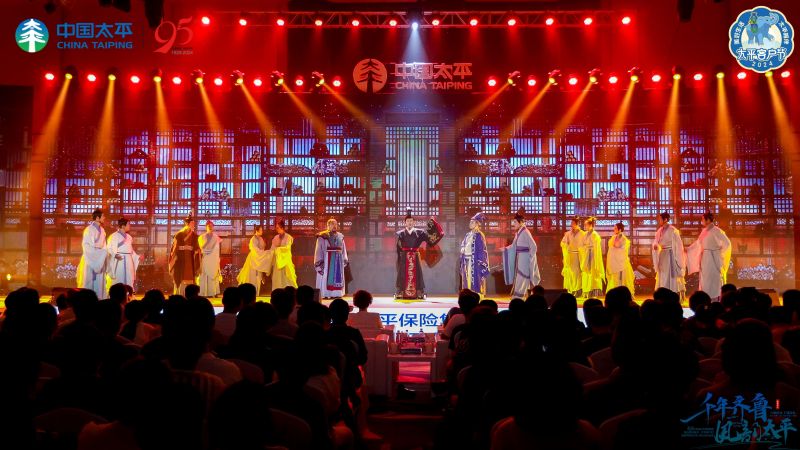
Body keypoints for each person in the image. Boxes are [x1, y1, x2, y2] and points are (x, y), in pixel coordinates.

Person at [395, 210, 443, 299]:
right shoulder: (401, 233)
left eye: (411, 221)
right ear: (405, 223)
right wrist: (399, 257)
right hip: (405, 256)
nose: (409, 223)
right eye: (408, 221)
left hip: (415, 255)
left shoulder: (420, 232)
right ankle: (400, 291)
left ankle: (419, 292)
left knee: (417, 272)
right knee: (402, 272)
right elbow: (398, 247)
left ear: (414, 222)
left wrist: (433, 226)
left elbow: (430, 240)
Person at [687, 212, 732, 299]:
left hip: (714, 258)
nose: (701, 221)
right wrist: (689, 249)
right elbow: (698, 243)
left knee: (714, 277)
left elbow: (727, 244)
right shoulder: (704, 231)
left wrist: (719, 253)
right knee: (705, 278)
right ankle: (705, 297)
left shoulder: (717, 231)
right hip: (705, 258)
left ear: (708, 220)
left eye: (703, 219)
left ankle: (715, 297)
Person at [502, 213, 541, 298]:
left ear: (520, 222)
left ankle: (519, 296)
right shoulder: (518, 232)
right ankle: (523, 295)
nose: (513, 224)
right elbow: (514, 245)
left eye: (515, 222)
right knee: (520, 276)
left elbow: (533, 246)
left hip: (525, 257)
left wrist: (531, 257)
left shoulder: (526, 231)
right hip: (520, 257)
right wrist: (505, 249)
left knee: (523, 276)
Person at [652, 212, 686, 298]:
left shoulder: (673, 230)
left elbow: (678, 244)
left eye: (660, 219)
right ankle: (663, 294)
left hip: (671, 254)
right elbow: (656, 241)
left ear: (665, 219)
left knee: (671, 275)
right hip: (662, 254)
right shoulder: (659, 230)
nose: (659, 220)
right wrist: (655, 245)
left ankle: (672, 294)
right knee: (662, 274)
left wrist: (677, 257)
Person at [76, 208, 108, 299]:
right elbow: (86, 246)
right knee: (88, 280)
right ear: (97, 218)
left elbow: (104, 246)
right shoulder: (88, 230)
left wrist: (103, 255)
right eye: (103, 216)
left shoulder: (102, 230)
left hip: (100, 259)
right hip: (90, 258)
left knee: (100, 283)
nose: (104, 218)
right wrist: (97, 254)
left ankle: (99, 300)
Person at [314, 218, 348, 299]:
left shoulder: (340, 236)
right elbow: (319, 250)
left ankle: (337, 294)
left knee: (338, 277)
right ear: (328, 225)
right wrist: (319, 262)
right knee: (327, 276)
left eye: (335, 224)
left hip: (338, 260)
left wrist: (344, 259)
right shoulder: (323, 236)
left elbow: (343, 249)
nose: (334, 226)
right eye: (332, 224)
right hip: (327, 260)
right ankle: (327, 293)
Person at [168, 215, 201, 296]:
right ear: (187, 224)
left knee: (190, 275)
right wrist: (179, 251)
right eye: (192, 223)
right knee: (180, 275)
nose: (193, 225)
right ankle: (180, 294)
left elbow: (197, 247)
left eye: (194, 223)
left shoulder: (194, 235)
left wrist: (197, 251)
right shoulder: (179, 234)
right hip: (181, 259)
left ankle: (190, 294)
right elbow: (175, 248)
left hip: (190, 258)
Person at [459, 213, 490, 297]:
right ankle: (467, 296)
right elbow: (463, 244)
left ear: (477, 224)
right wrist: (462, 249)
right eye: (470, 222)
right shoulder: (467, 234)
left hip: (474, 261)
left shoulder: (479, 235)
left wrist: (480, 261)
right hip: (466, 260)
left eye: (472, 222)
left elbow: (482, 249)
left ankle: (476, 296)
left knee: (475, 279)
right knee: (466, 279)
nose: (470, 223)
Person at [106, 217, 139, 291]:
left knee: (129, 277)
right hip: (119, 259)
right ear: (123, 226)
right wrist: (115, 255)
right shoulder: (114, 236)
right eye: (128, 224)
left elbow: (130, 250)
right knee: (119, 277)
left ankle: (128, 293)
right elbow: (109, 248)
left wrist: (138, 256)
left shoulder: (129, 237)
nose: (129, 226)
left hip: (128, 260)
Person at [237, 225, 271, 291]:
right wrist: (262, 253)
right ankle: (251, 290)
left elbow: (262, 248)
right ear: (257, 231)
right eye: (261, 230)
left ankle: (257, 291)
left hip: (260, 258)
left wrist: (263, 254)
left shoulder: (260, 238)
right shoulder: (253, 239)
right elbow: (254, 249)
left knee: (259, 275)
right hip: (254, 258)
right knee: (253, 275)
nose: (262, 231)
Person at [606, 222, 635, 295]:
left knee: (621, 279)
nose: (614, 229)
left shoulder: (624, 239)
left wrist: (614, 247)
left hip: (621, 263)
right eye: (614, 228)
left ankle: (622, 294)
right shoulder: (613, 237)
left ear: (620, 230)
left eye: (615, 228)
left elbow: (620, 248)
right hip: (614, 262)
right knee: (614, 279)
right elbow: (611, 246)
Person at [581, 217, 606, 299]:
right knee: (586, 274)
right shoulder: (585, 234)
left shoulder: (595, 235)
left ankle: (594, 292)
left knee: (593, 274)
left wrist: (590, 253)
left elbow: (596, 248)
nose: (585, 226)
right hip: (586, 255)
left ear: (591, 225)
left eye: (586, 224)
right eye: (584, 224)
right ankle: (587, 291)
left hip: (593, 256)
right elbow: (582, 244)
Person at [560, 217, 586, 297]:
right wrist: (566, 244)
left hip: (578, 255)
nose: (571, 225)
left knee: (577, 273)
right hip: (569, 255)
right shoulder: (568, 233)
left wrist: (581, 250)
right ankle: (571, 289)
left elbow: (585, 245)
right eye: (571, 223)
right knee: (570, 273)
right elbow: (562, 243)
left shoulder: (582, 234)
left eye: (573, 223)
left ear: (577, 224)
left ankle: (578, 289)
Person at [270, 219, 298, 290]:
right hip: (277, 260)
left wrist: (278, 249)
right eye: (276, 228)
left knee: (288, 276)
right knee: (277, 277)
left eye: (278, 228)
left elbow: (287, 248)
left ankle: (290, 290)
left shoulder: (288, 237)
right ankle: (277, 291)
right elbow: (272, 248)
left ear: (282, 228)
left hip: (285, 259)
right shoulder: (276, 237)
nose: (276, 229)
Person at [197, 221, 222, 297]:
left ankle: (214, 292)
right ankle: (205, 293)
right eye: (209, 226)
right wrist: (207, 242)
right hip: (205, 257)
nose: (210, 227)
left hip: (213, 258)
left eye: (211, 226)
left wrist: (217, 257)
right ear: (206, 227)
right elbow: (201, 248)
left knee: (214, 274)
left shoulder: (216, 237)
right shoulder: (202, 237)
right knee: (205, 274)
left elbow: (217, 249)